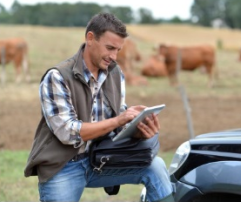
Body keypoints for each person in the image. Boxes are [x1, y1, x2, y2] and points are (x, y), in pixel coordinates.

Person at [24, 13, 174, 202]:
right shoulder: (57, 77)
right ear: (90, 38)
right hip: (63, 166)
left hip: (101, 159)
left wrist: (137, 129)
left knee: (156, 167)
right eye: (110, 48)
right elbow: (67, 132)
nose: (114, 56)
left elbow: (118, 123)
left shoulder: (115, 73)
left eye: (118, 50)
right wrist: (118, 120)